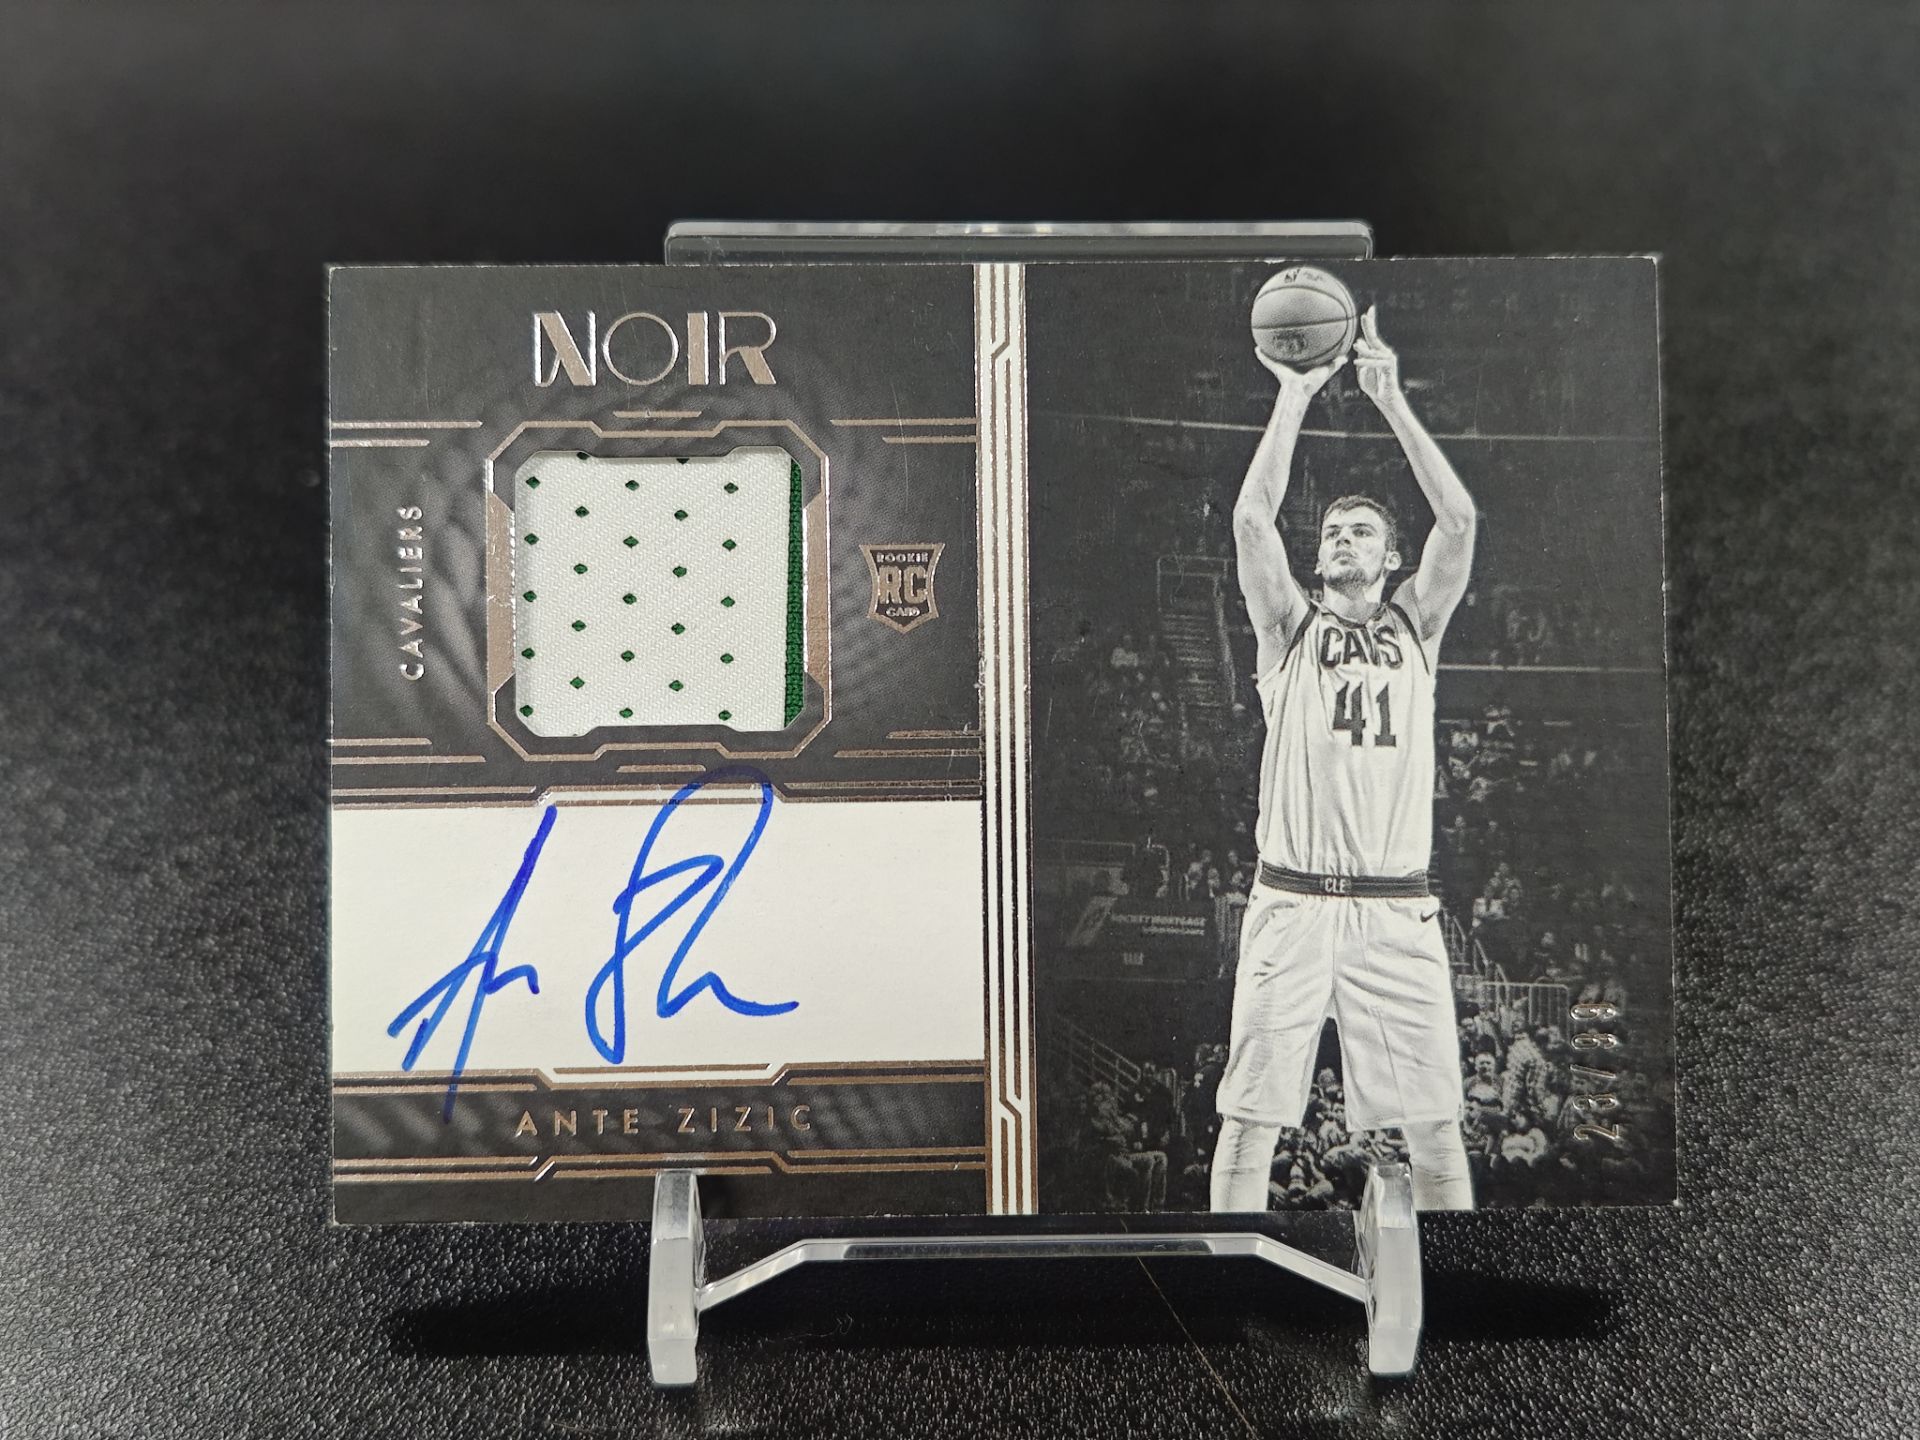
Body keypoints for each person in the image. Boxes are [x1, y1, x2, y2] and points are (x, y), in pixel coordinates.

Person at [1210, 307, 1480, 1213]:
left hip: (1394, 908)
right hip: (1290, 903)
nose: (1341, 538)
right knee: (1249, 1122)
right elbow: (1253, 519)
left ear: (1392, 557)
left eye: (1362, 530)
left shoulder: (1417, 627)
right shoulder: (1288, 630)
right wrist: (1294, 392)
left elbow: (1458, 520)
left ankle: (1452, 1275)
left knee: (1434, 1128)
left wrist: (1390, 399)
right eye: (1332, 530)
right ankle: (1223, 1279)